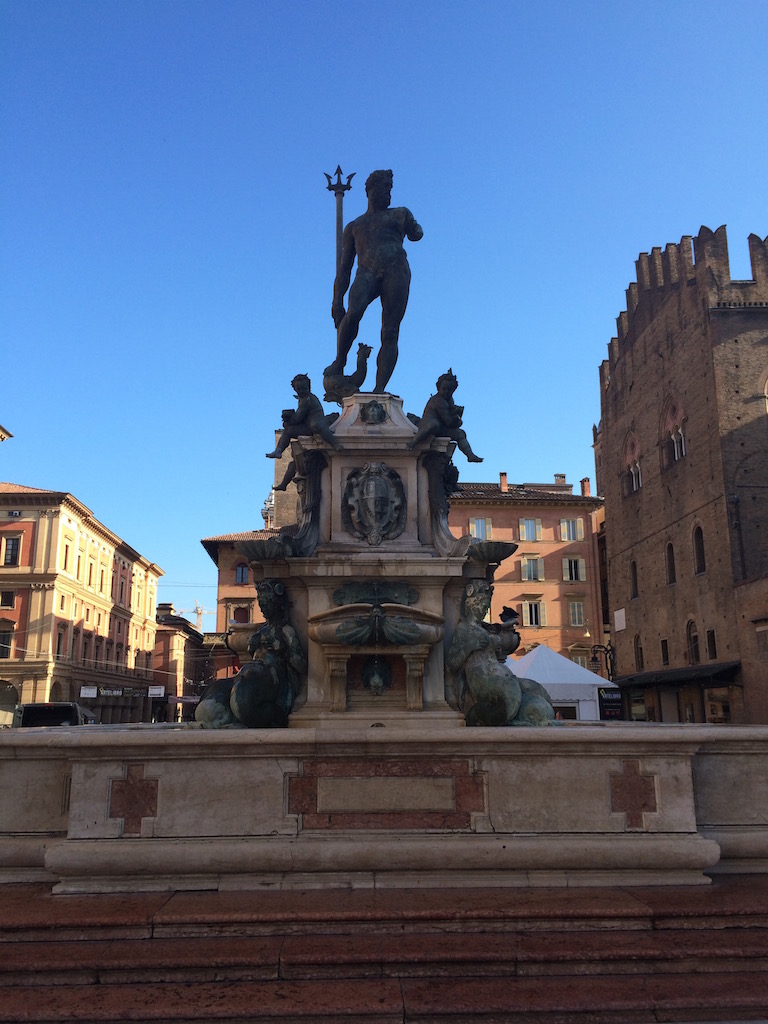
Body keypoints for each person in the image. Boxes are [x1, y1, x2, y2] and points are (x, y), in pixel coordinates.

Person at [328, 169, 423, 394]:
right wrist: (336, 301)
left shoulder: (400, 214)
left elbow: (416, 233)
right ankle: (340, 360)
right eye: (382, 189)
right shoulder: (354, 226)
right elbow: (344, 268)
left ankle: (379, 389)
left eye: (389, 189)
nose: (387, 194)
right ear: (369, 191)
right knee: (353, 312)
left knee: (390, 330)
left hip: (396, 269)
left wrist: (415, 228)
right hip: (366, 271)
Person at [406, 370, 483, 462]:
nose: (446, 392)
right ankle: (414, 442)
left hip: (441, 427)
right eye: (444, 389)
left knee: (460, 434)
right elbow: (449, 422)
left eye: (449, 390)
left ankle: (470, 455)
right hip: (429, 427)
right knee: (434, 424)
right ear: (438, 387)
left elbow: (450, 415)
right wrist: (458, 420)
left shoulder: (449, 399)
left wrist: (456, 414)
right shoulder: (439, 401)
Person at [266, 374, 341, 458]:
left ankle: (335, 443)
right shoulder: (303, 399)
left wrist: (288, 421)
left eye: (304, 389)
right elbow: (300, 416)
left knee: (317, 426)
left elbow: (298, 417)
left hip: (316, 424)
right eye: (299, 389)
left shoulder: (307, 399)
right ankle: (278, 450)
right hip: (308, 426)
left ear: (309, 387)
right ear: (295, 389)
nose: (301, 391)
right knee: (288, 431)